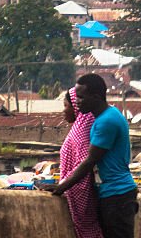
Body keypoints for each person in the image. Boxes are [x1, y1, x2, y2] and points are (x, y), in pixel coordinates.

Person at [54, 74, 138, 238]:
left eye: (81, 97)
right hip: (114, 194)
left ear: (96, 97)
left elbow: (89, 161)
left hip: (117, 195)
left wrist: (61, 187)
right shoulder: (106, 116)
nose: (77, 101)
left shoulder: (106, 122)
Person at [59, 87, 104, 238]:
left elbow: (84, 164)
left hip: (83, 196)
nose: (63, 111)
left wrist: (64, 187)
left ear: (75, 108)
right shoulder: (79, 127)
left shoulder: (81, 131)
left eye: (66, 106)